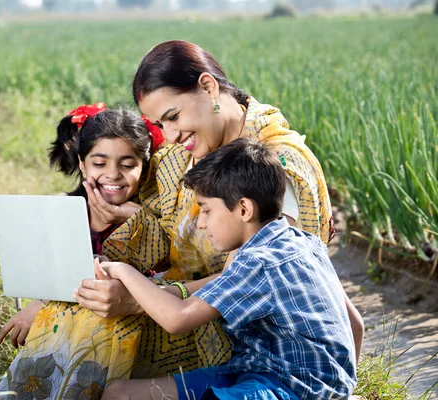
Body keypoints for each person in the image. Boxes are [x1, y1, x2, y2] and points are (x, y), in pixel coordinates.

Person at [77, 39, 363, 376]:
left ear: (209, 87)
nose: (169, 136)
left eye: (173, 117)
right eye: (160, 125)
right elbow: (159, 231)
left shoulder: (274, 166)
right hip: (179, 305)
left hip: (248, 344)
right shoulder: (180, 158)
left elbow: (251, 277)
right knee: (75, 317)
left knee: (93, 347)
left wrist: (142, 299)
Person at [101, 138, 357, 400]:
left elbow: (176, 319)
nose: (200, 223)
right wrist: (345, 390)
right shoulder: (304, 242)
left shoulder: (260, 261)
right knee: (119, 394)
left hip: (292, 389)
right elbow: (355, 323)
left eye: (206, 210)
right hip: (253, 372)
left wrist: (123, 270)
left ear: (244, 209)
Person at [0, 103, 160, 398]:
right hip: (66, 324)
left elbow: (159, 276)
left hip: (127, 331)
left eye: (128, 164)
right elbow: (46, 273)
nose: (113, 175)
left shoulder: (148, 218)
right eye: (100, 163)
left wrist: (136, 221)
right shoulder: (65, 210)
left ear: (143, 168)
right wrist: (38, 304)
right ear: (82, 164)